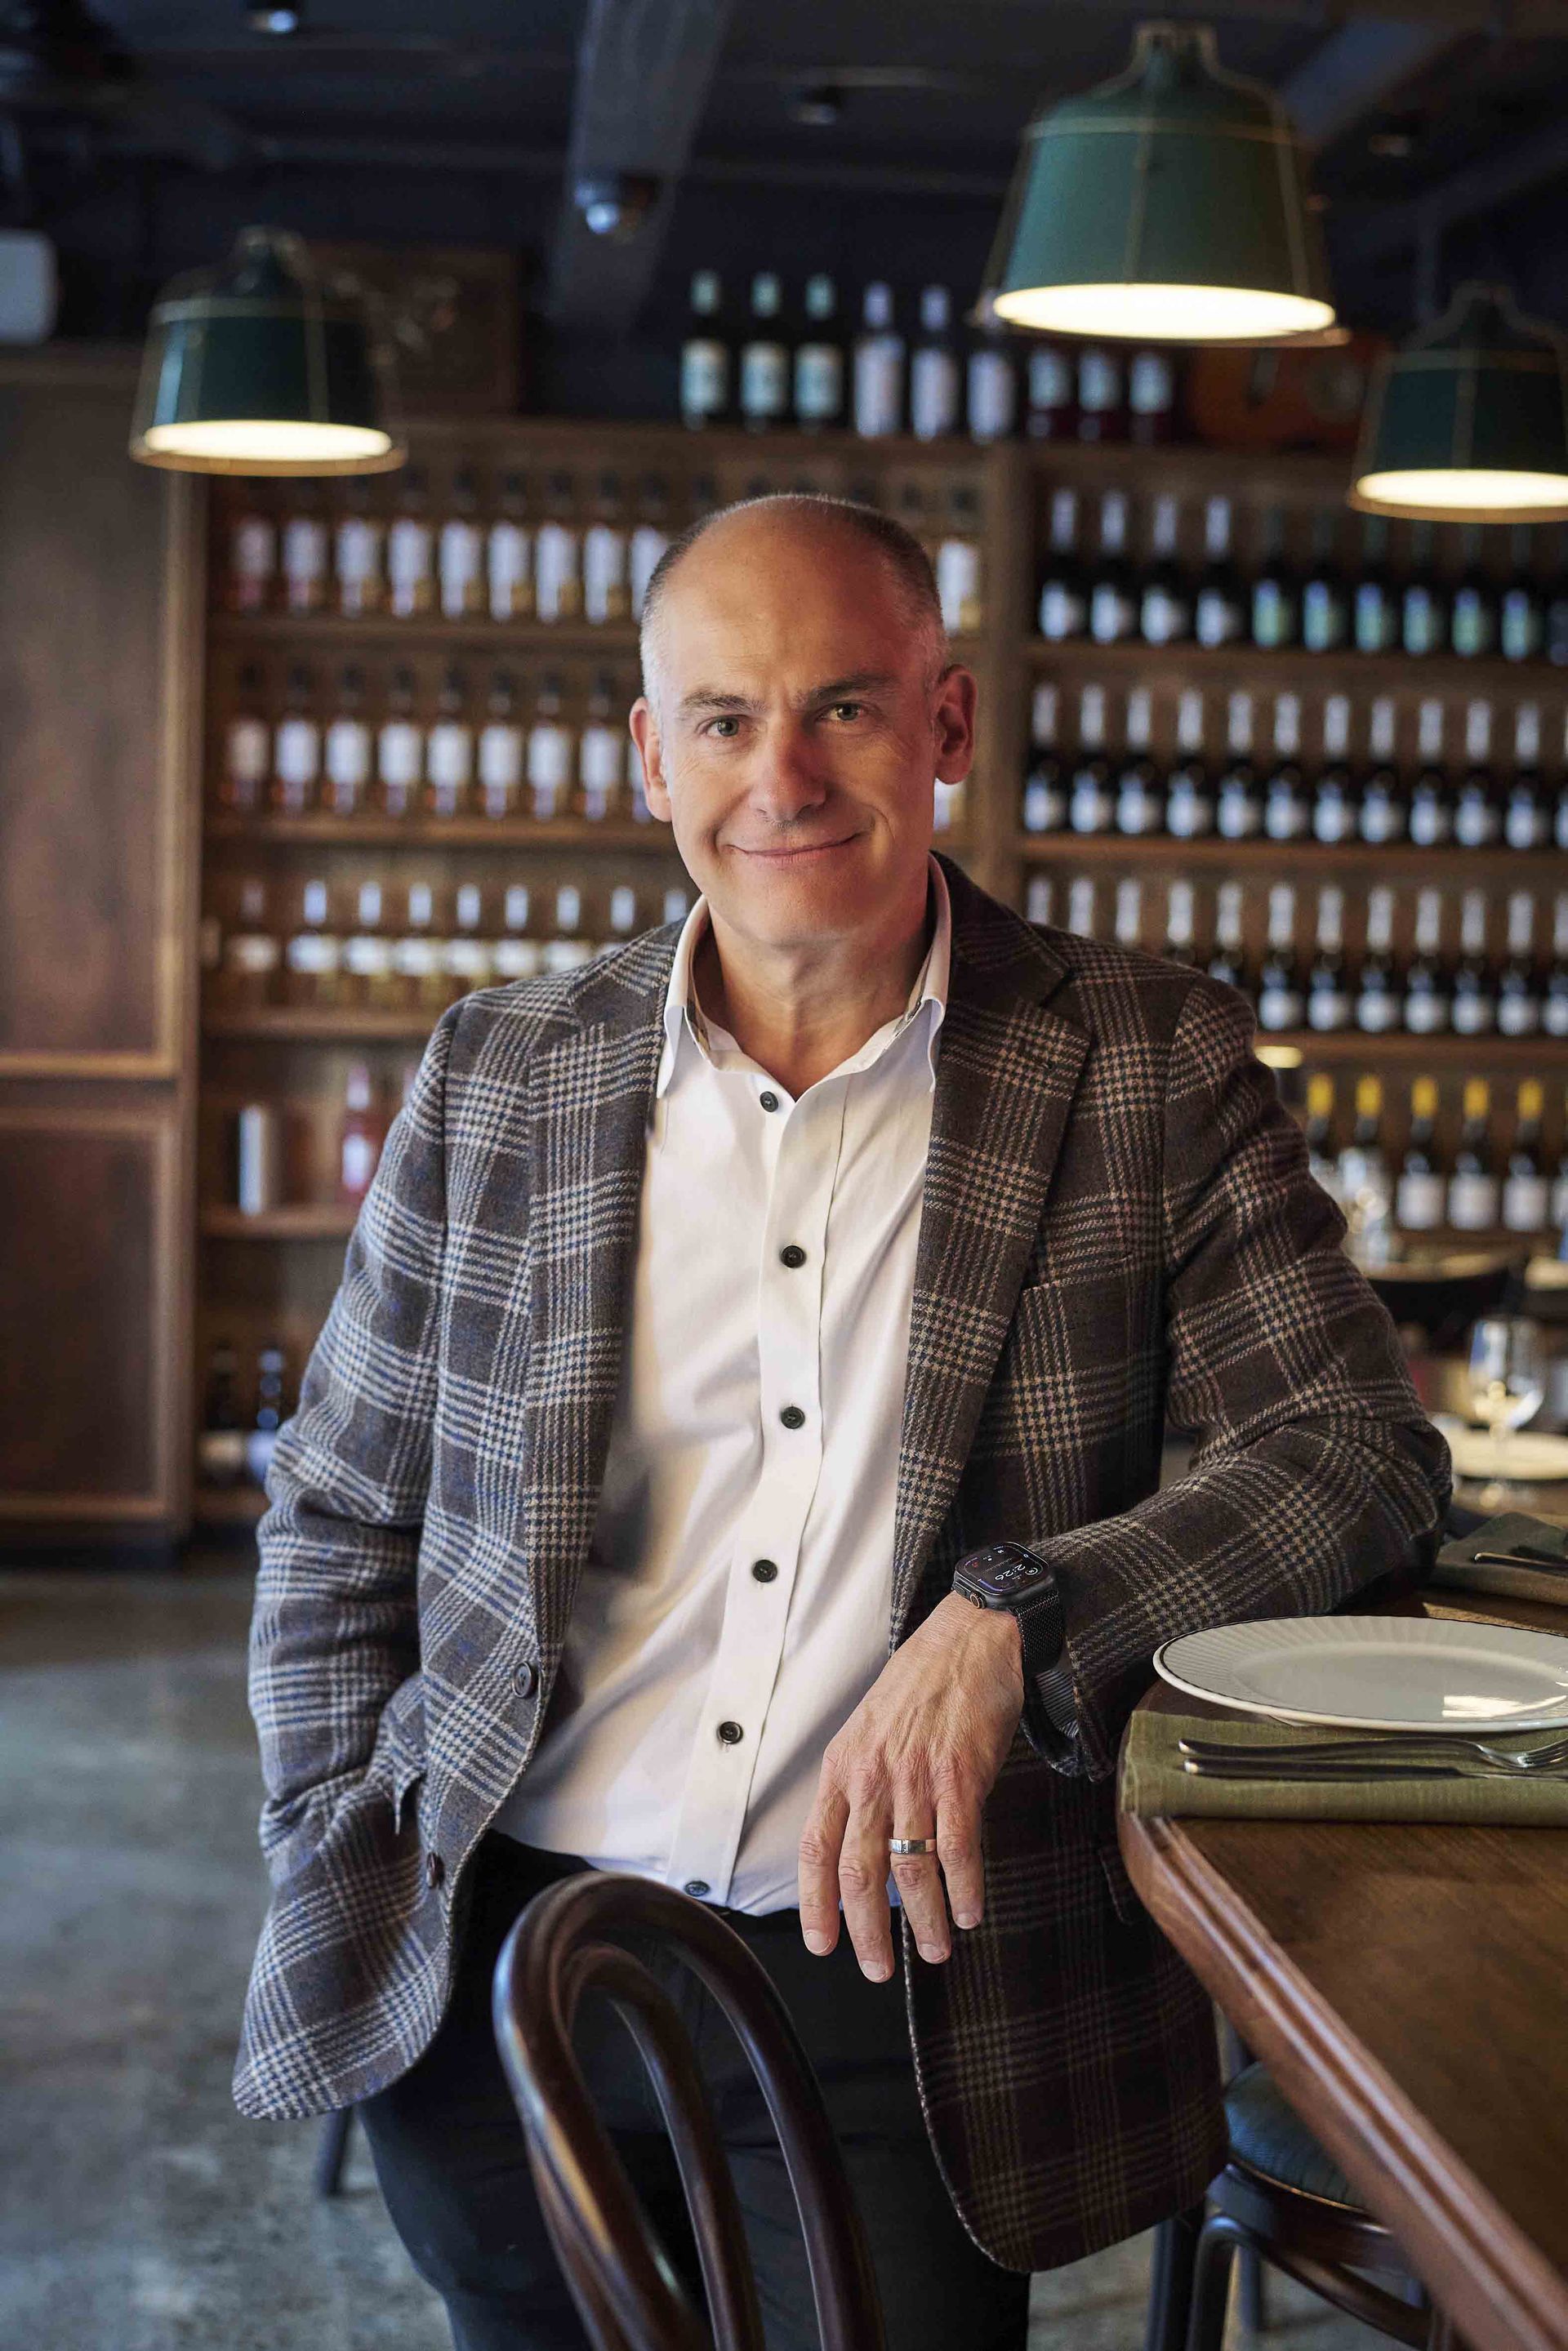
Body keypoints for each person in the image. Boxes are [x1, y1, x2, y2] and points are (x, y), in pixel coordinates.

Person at [235, 493, 1450, 2350]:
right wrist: (335, 1832)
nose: (782, 777)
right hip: (501, 1973)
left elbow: (1354, 1452)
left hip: (902, 1992)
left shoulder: (1147, 1059)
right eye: (724, 719)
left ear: (946, 723)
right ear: (653, 759)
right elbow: (338, 1510)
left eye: (844, 709)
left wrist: (1018, 1618)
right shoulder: (502, 1070)